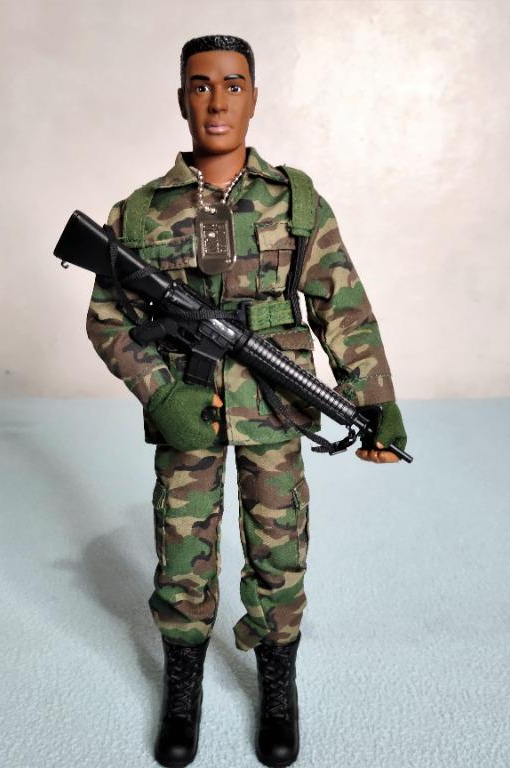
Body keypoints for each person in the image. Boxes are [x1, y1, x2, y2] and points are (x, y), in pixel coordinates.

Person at [85, 34, 408, 768]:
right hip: (187, 407)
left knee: (279, 549)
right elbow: (107, 318)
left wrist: (376, 406)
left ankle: (277, 682)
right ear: (181, 99)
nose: (217, 101)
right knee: (182, 553)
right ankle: (183, 687)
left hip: (273, 404)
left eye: (233, 84)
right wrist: (160, 392)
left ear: (255, 97)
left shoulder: (296, 201)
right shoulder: (139, 212)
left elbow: (342, 308)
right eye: (200, 85)